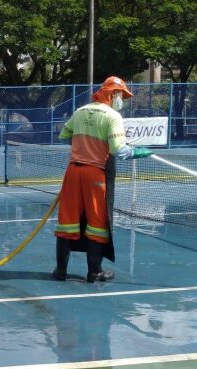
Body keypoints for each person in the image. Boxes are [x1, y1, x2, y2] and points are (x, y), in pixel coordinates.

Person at [54, 76, 153, 282]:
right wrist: (138, 152)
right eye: (122, 96)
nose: (122, 101)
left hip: (73, 172)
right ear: (113, 94)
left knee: (67, 222)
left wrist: (83, 144)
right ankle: (94, 272)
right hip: (94, 174)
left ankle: (60, 271)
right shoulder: (112, 116)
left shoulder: (80, 111)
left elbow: (64, 135)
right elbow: (119, 151)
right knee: (97, 222)